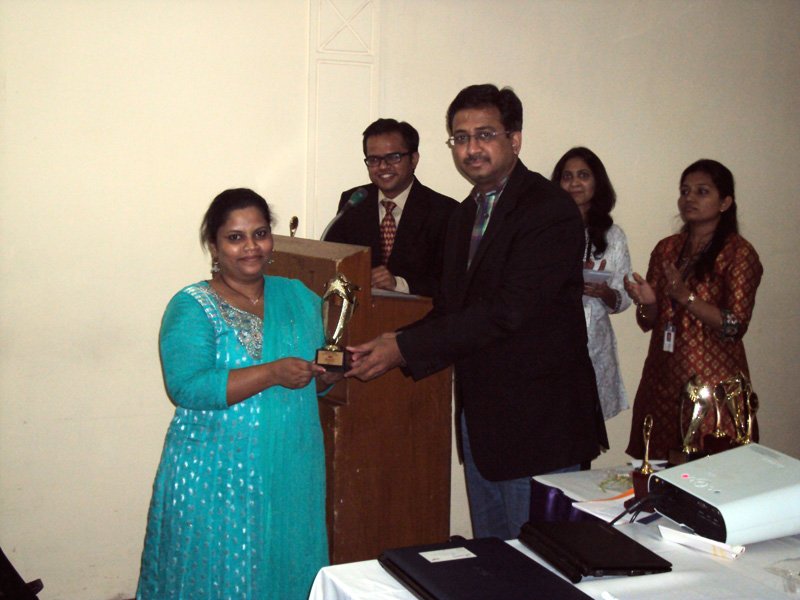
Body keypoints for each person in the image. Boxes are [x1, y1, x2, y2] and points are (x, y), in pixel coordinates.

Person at [344, 85, 608, 540]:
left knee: (539, 563)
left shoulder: (549, 209)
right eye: (461, 137)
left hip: (539, 425)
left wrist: (404, 347)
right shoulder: (465, 214)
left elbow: (508, 311)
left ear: (514, 139)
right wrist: (389, 343)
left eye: (485, 134)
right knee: (494, 557)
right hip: (482, 422)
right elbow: (451, 309)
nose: (471, 149)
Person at [137, 189, 338, 599]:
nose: (251, 246)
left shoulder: (298, 297)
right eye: (235, 237)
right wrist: (272, 372)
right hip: (215, 475)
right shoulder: (193, 305)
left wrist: (329, 372)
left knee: (285, 567)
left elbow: (318, 378)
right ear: (214, 246)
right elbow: (187, 386)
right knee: (217, 578)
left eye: (260, 233)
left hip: (289, 469)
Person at [624, 160, 763, 459]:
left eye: (702, 191)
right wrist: (648, 302)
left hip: (713, 386)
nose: (689, 198)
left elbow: (735, 325)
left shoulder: (739, 253)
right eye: (685, 191)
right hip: (663, 378)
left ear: (725, 202)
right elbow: (647, 322)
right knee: (660, 467)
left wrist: (685, 297)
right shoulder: (667, 249)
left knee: (711, 469)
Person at [323, 118, 457, 296]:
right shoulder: (354, 201)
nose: (383, 167)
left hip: (420, 312)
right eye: (374, 159)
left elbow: (452, 283)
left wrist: (399, 284)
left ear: (414, 159)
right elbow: (334, 264)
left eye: (393, 157)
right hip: (360, 310)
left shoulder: (445, 211)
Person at [552, 147, 631, 421]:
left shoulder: (613, 235)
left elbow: (623, 297)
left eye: (583, 175)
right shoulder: (545, 231)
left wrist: (605, 292)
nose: (575, 183)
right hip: (552, 340)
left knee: (588, 425)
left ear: (597, 183)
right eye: (567, 176)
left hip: (595, 340)